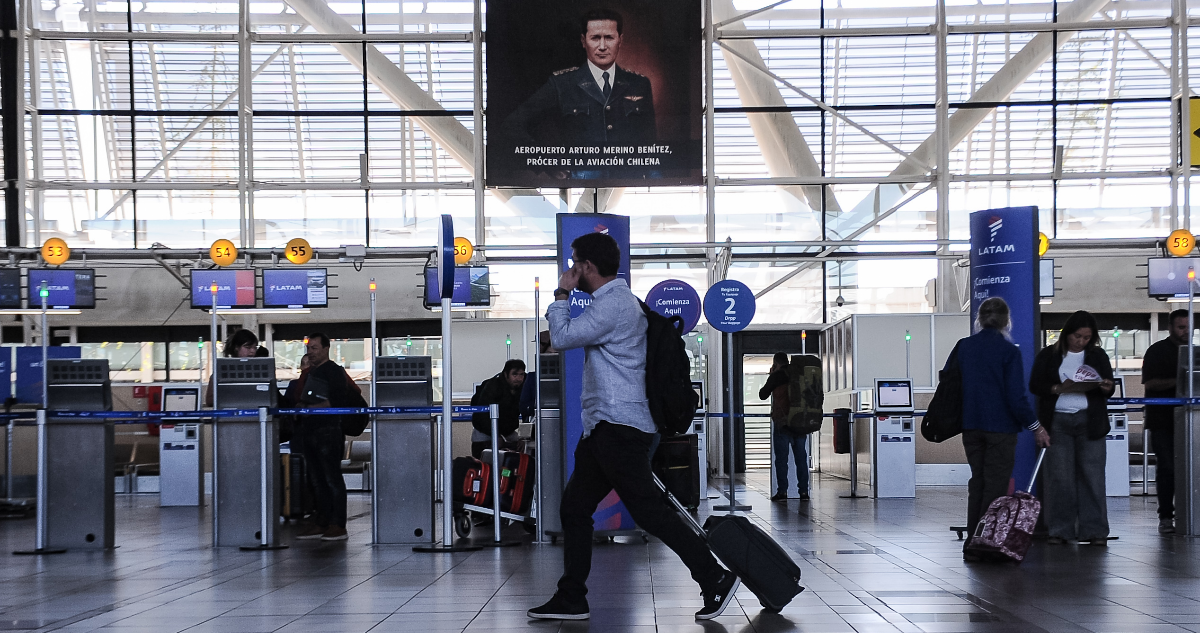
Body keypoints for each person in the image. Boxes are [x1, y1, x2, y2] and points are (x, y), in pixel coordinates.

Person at [528, 232, 737, 622]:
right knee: (575, 509)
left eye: (575, 264)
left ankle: (715, 577)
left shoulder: (615, 305)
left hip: (619, 428)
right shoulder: (617, 303)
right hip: (605, 428)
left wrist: (560, 294)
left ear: (588, 266)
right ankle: (571, 597)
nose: (571, 270)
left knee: (650, 513)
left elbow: (562, 337)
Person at [954, 297, 1050, 561]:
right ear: (1007, 321)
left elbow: (951, 382)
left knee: (978, 482)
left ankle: (972, 542)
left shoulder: (964, 347)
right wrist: (1036, 427)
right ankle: (986, 543)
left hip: (971, 425)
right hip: (1000, 428)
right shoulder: (1009, 352)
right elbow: (1015, 397)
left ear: (979, 319)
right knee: (995, 487)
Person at [503, 9, 656, 151]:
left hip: (627, 172)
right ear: (583, 41)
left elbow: (650, 146)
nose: (602, 46)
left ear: (620, 41)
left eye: (609, 38)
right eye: (595, 38)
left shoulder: (639, 84)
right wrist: (547, 160)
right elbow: (512, 124)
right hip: (579, 172)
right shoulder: (562, 84)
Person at [1029, 310, 1115, 546]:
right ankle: (1060, 530)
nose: (1081, 341)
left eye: (1086, 338)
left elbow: (1109, 386)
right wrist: (1058, 388)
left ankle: (1095, 531)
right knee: (1060, 478)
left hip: (1090, 420)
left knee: (1093, 477)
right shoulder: (1049, 355)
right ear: (1066, 334)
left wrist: (1106, 386)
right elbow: (1035, 385)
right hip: (1058, 421)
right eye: (1077, 336)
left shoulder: (1097, 355)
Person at [292, 333, 361, 542]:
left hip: (329, 432)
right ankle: (322, 521)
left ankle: (337, 524)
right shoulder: (312, 372)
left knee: (331, 477)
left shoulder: (334, 371)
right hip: (311, 430)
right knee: (316, 478)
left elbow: (338, 401)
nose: (310, 352)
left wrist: (311, 409)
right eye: (308, 348)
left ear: (325, 349)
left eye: (314, 348)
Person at [1141, 309, 1190, 534]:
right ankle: (1166, 516)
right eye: (1181, 327)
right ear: (1170, 328)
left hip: (1190, 420)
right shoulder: (1156, 351)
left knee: (1190, 468)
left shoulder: (1194, 352)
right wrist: (1180, 380)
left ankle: (1188, 513)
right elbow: (1150, 383)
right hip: (1162, 420)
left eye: (1188, 327)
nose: (1185, 331)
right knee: (1167, 467)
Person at [758, 353, 810, 502]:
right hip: (800, 423)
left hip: (783, 423)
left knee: (781, 460)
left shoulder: (777, 376)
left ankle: (782, 492)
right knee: (801, 459)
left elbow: (762, 394)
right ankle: (804, 492)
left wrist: (772, 375)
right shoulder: (799, 374)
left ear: (775, 363)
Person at [470, 359, 527, 458]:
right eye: (514, 374)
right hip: (485, 430)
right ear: (506, 374)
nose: (518, 378)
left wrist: (524, 437)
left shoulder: (525, 387)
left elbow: (527, 411)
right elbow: (482, 416)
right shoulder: (492, 387)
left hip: (507, 431)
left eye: (521, 374)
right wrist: (495, 435)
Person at [204, 329, 259, 406]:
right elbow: (210, 400)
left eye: (255, 347)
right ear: (236, 348)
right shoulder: (222, 369)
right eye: (248, 347)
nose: (252, 351)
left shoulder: (259, 369)